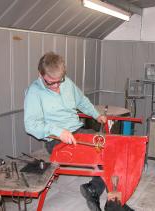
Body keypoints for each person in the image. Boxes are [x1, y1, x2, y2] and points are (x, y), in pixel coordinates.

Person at [24, 52, 107, 211]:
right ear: (39, 74)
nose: (56, 86)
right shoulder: (34, 92)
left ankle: (98, 192)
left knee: (109, 145)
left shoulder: (67, 83)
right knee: (101, 152)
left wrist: (97, 115)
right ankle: (95, 190)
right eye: (50, 83)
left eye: (59, 81)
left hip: (78, 130)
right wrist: (58, 131)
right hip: (56, 140)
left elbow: (82, 101)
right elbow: (31, 125)